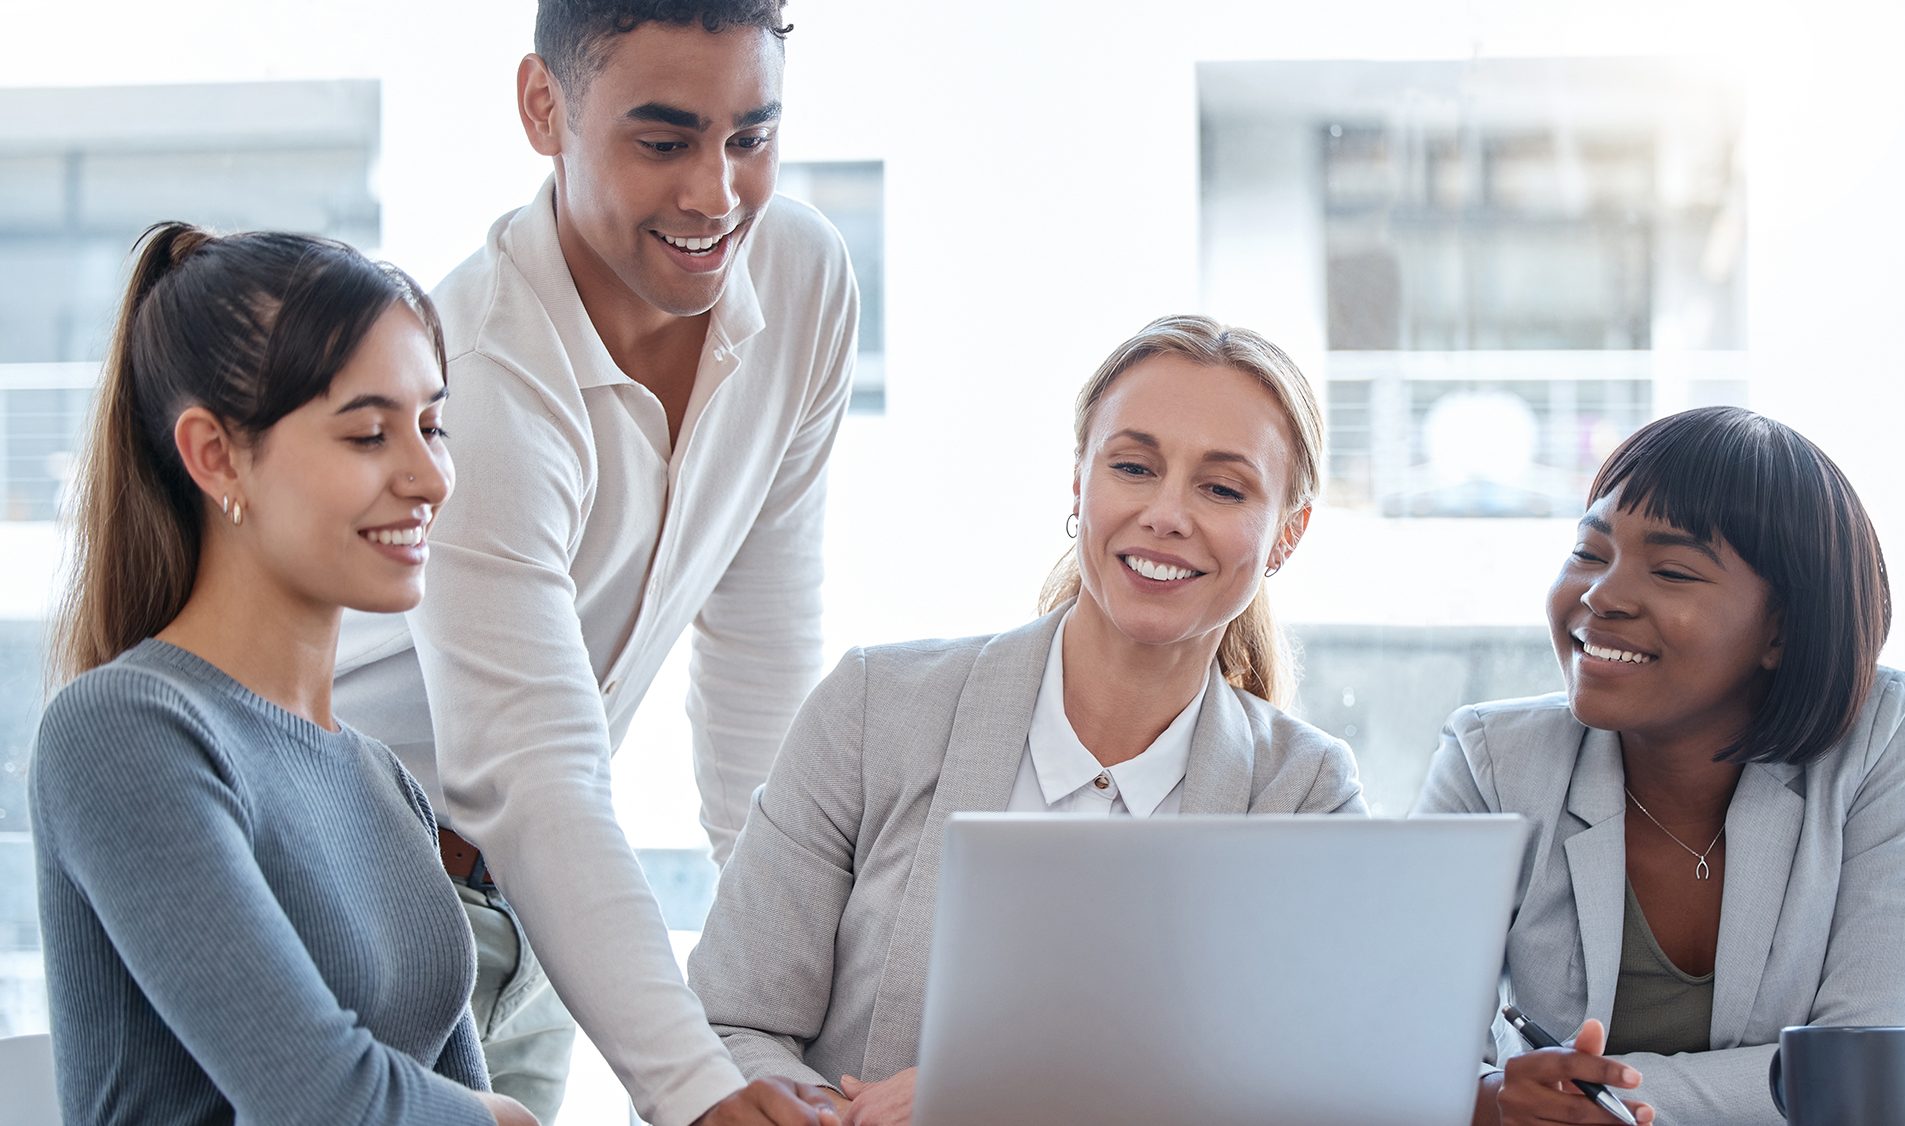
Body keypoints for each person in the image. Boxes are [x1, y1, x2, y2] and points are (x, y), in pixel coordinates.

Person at [330, 2, 856, 1122]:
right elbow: (533, 769)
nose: (715, 194)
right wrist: (697, 1088)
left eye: (751, 137)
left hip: (538, 913)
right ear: (543, 108)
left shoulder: (803, 280)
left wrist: (792, 1019)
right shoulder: (469, 371)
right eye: (662, 142)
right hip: (353, 907)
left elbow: (761, 668)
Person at [687, 314, 1370, 1125]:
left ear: (1287, 535)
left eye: (1221, 487)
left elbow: (1319, 1089)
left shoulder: (1305, 794)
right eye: (1133, 466)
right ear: (1078, 483)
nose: (1166, 512)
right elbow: (729, 1024)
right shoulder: (875, 707)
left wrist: (1013, 1097)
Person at [31, 223, 536, 1125]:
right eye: (371, 434)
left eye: (432, 424)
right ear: (216, 455)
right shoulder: (128, 729)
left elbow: (452, 1096)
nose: (429, 477)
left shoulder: (384, 780)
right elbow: (323, 1102)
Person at [1415, 406, 1905, 1126]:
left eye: (1669, 570)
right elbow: (1411, 1056)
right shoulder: (1492, 759)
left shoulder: (1876, 733)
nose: (1601, 596)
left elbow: (1859, 1072)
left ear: (1780, 631)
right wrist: (1491, 1098)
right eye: (1589, 553)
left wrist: (1598, 1100)